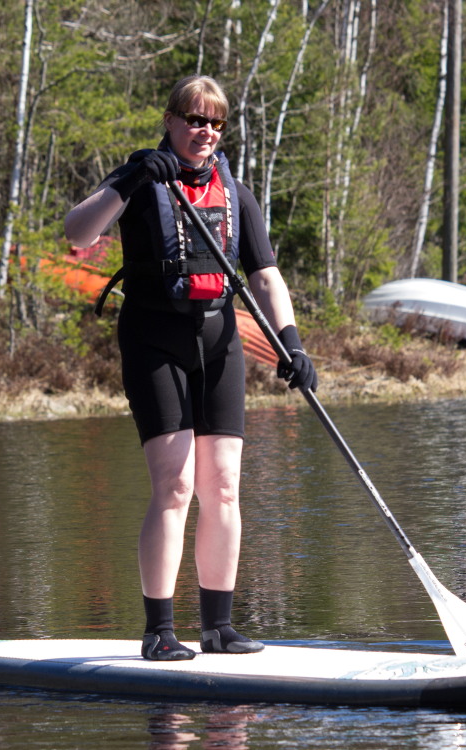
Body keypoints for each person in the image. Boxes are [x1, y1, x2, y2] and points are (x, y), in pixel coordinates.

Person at [64, 75, 317, 661]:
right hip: (154, 341)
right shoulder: (138, 179)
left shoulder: (236, 193)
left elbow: (265, 276)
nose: (205, 131)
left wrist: (293, 344)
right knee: (175, 486)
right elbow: (77, 234)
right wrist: (129, 180)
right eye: (195, 119)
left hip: (218, 343)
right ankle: (158, 632)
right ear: (171, 120)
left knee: (223, 487)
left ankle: (218, 628)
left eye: (215, 122)